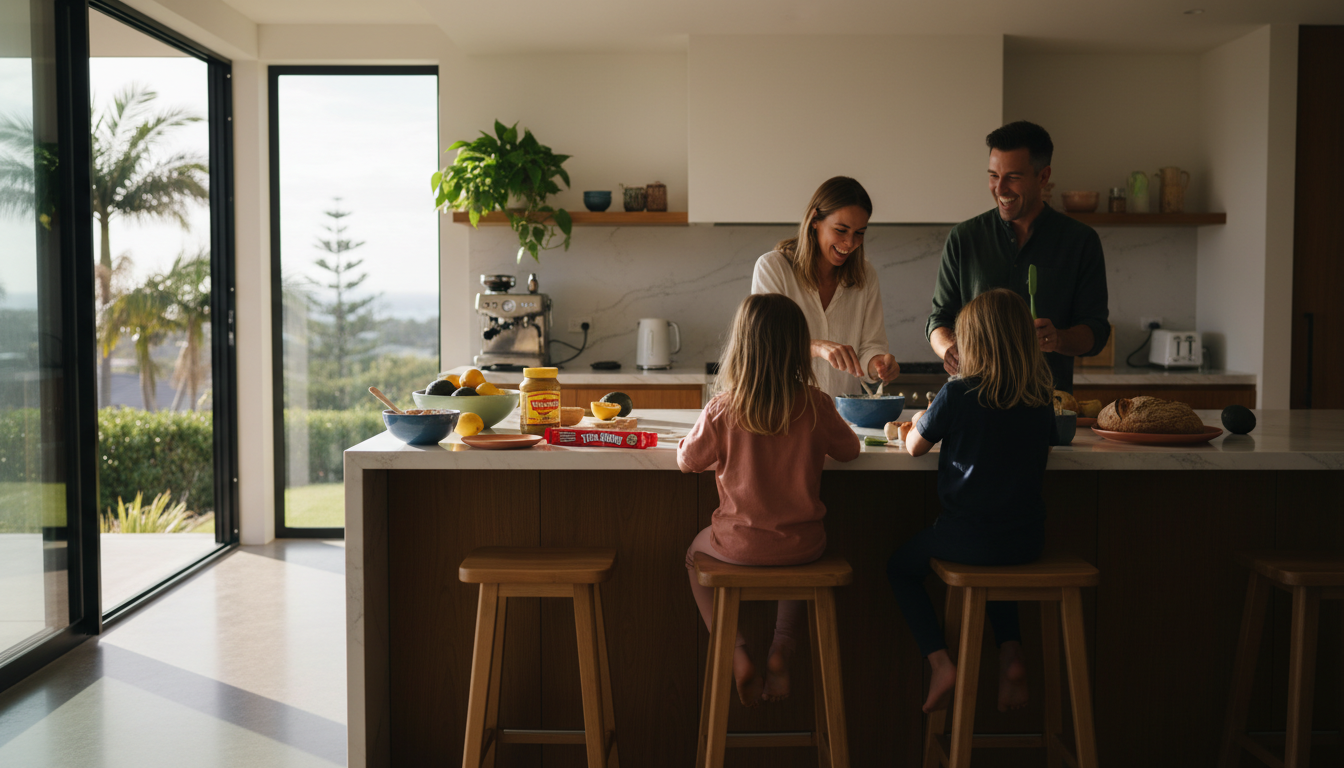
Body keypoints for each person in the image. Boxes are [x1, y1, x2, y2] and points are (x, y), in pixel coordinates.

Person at [679, 293, 861, 706]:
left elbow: (688, 461)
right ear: (800, 349)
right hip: (804, 546)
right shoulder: (816, 404)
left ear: (741, 347)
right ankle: (782, 647)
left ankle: (736, 650)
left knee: (693, 555)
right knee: (794, 558)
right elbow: (850, 451)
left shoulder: (723, 408)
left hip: (736, 546)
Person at [888, 288, 1058, 714]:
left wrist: (909, 428)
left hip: (965, 539)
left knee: (899, 568)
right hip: (1027, 542)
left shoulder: (959, 392)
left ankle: (941, 662)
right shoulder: (1040, 397)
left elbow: (915, 447)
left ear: (972, 343)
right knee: (997, 567)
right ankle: (1011, 654)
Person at [927, 121, 1109, 392]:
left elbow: (1096, 332)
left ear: (1043, 176)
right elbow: (939, 320)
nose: (999, 189)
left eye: (1012, 177)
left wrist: (1057, 338)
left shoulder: (1080, 241)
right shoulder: (964, 238)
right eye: (993, 175)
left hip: (1046, 407)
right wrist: (949, 350)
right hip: (974, 401)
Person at [752, 176, 899, 396]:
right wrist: (816, 347)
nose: (850, 243)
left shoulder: (865, 276)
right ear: (814, 220)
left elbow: (870, 346)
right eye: (841, 230)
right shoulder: (773, 268)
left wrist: (878, 365)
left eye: (859, 233)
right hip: (783, 415)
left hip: (840, 419)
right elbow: (766, 346)